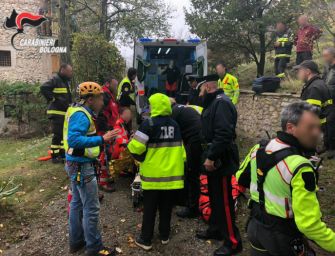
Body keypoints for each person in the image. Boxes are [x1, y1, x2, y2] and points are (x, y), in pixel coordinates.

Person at [236, 102, 335, 255]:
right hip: (283, 237)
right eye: (310, 127)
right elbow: (309, 225)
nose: (318, 133)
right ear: (290, 128)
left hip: (255, 228)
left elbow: (240, 178)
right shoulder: (300, 166)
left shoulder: (259, 148)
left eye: (318, 127)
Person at [63, 82, 119, 256]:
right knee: (91, 208)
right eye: (99, 98)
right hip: (81, 165)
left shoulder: (77, 110)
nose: (102, 101)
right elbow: (74, 140)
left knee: (77, 204)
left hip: (74, 163)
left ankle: (77, 243)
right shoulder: (81, 115)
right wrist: (103, 139)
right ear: (90, 99)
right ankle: (94, 248)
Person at [128, 93, 184, 251]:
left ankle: (146, 239)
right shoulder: (175, 124)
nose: (150, 108)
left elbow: (136, 147)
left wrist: (132, 144)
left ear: (155, 106)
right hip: (171, 176)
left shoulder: (148, 124)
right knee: (166, 207)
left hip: (153, 176)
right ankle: (164, 235)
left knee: (150, 209)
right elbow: (181, 150)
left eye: (151, 105)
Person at [196, 76, 242, 256]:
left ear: (207, 87)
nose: (199, 94)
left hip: (220, 160)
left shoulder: (220, 103)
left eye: (200, 90)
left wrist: (212, 157)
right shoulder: (213, 102)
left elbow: (223, 134)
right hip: (214, 157)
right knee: (215, 198)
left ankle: (233, 241)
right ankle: (215, 229)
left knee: (224, 202)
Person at [295, 60, 335, 157]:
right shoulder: (317, 83)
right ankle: (328, 147)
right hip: (327, 123)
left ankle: (331, 150)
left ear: (308, 71)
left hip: (326, 123)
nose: (298, 74)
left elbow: (311, 112)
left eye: (300, 71)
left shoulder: (314, 87)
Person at [170, 99, 203, 218]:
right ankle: (190, 202)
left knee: (192, 174)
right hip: (200, 138)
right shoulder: (183, 108)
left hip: (195, 140)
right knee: (194, 172)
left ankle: (192, 208)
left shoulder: (174, 113)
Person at [40, 63, 73, 163]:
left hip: (63, 112)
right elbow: (43, 87)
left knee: (63, 135)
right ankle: (54, 156)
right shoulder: (56, 79)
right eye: (69, 71)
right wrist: (52, 98)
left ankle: (62, 154)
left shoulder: (64, 81)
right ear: (62, 70)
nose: (71, 73)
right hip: (56, 112)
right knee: (58, 135)